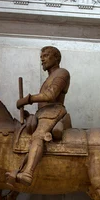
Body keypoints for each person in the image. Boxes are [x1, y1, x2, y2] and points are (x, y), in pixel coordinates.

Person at [8, 46, 70, 186]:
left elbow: (51, 95)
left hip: (54, 111)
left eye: (46, 55)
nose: (42, 59)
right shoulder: (50, 78)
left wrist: (27, 99)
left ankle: (28, 173)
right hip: (43, 113)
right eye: (41, 56)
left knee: (38, 136)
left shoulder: (62, 73)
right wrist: (29, 115)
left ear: (56, 58)